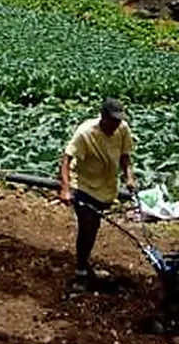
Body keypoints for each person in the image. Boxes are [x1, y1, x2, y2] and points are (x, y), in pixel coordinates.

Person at [57, 98, 137, 287]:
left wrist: (129, 177)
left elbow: (125, 156)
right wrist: (65, 189)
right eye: (113, 120)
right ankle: (81, 271)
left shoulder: (122, 129)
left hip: (105, 186)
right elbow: (66, 160)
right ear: (103, 117)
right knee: (87, 225)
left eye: (118, 121)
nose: (116, 125)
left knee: (93, 227)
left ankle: (84, 265)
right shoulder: (85, 133)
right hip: (83, 184)